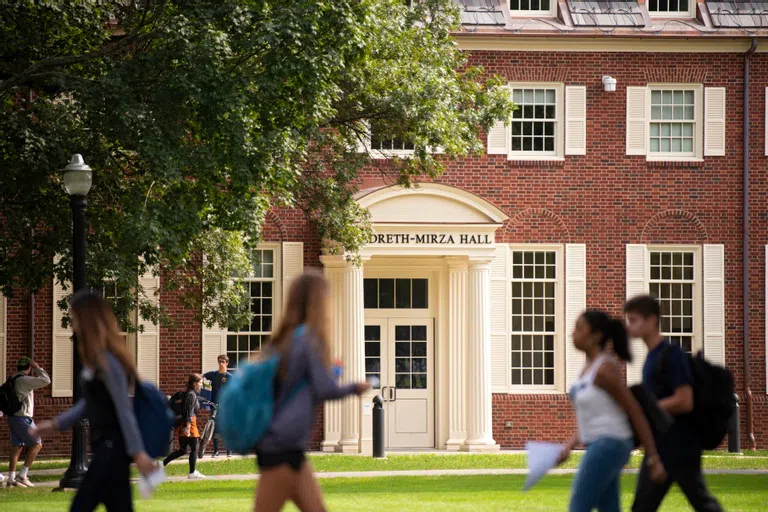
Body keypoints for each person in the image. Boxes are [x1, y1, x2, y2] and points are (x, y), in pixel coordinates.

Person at [254, 269, 370, 512]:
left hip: (284, 445)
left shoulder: (285, 339)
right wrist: (355, 387)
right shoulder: (308, 340)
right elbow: (324, 389)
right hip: (282, 446)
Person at [31, 290, 155, 511]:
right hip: (106, 447)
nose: (73, 325)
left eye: (75, 317)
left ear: (87, 319)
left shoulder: (108, 362)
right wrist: (55, 424)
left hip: (112, 448)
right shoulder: (96, 360)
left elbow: (123, 408)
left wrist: (138, 452)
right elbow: (89, 404)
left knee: (80, 507)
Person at [559, 310, 666, 512]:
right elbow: (592, 417)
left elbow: (634, 410)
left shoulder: (604, 369)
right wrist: (568, 446)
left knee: (578, 506)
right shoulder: (587, 368)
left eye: (579, 328)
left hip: (610, 443)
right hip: (600, 444)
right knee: (609, 508)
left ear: (596, 335)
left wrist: (653, 457)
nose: (573, 333)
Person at [624, 295, 723, 512]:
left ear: (651, 320)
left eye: (633, 320)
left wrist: (648, 409)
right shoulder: (651, 358)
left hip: (680, 445)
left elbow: (684, 400)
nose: (629, 326)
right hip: (660, 445)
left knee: (701, 501)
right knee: (643, 506)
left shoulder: (672, 354)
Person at [6, 356, 50, 488]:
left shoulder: (12, 379)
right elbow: (46, 380)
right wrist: (37, 367)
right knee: (37, 444)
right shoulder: (25, 380)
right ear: (28, 367)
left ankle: (11, 479)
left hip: (12, 417)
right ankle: (22, 475)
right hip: (22, 418)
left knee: (17, 447)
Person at [163, 374, 205, 479]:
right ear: (195, 383)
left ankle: (162, 464)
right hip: (189, 424)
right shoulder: (191, 394)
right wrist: (188, 427)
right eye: (200, 382)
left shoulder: (188, 393)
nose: (201, 385)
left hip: (182, 424)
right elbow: (189, 411)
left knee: (182, 450)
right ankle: (192, 473)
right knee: (195, 447)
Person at [203, 354, 233, 457]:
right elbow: (201, 378)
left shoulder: (230, 377)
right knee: (215, 428)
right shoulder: (213, 375)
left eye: (223, 362)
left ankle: (229, 451)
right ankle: (216, 451)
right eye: (219, 361)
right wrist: (204, 389)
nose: (221, 364)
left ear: (227, 363)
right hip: (214, 406)